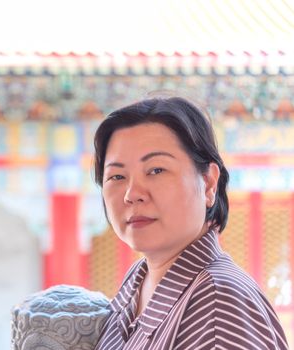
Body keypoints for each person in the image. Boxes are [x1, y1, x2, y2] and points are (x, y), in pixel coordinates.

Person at [93, 96, 289, 349]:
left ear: (208, 183)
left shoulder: (218, 304)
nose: (132, 194)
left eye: (156, 170)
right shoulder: (137, 280)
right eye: (117, 176)